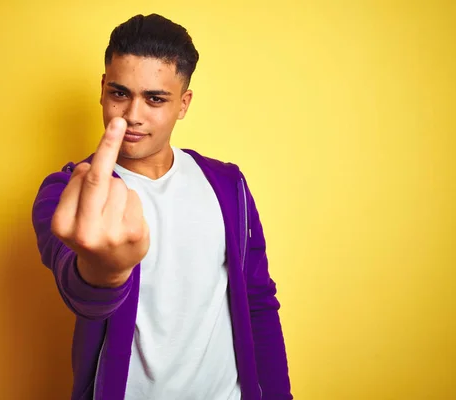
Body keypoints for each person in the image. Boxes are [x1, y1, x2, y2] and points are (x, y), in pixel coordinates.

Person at [32, 13, 292, 400]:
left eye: (155, 98)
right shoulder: (68, 192)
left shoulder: (227, 185)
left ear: (183, 103)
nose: (133, 115)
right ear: (103, 89)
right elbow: (77, 288)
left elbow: (258, 301)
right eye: (120, 93)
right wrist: (104, 274)